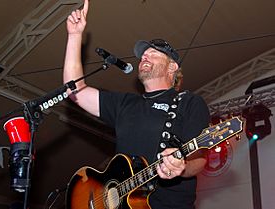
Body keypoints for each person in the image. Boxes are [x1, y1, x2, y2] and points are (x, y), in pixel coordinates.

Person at [63, 0, 210, 208]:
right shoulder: (125, 103)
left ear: (173, 66)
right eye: (143, 55)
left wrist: (182, 167)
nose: (144, 56)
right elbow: (74, 90)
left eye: (153, 53)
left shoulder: (189, 103)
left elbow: (200, 158)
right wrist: (75, 36)